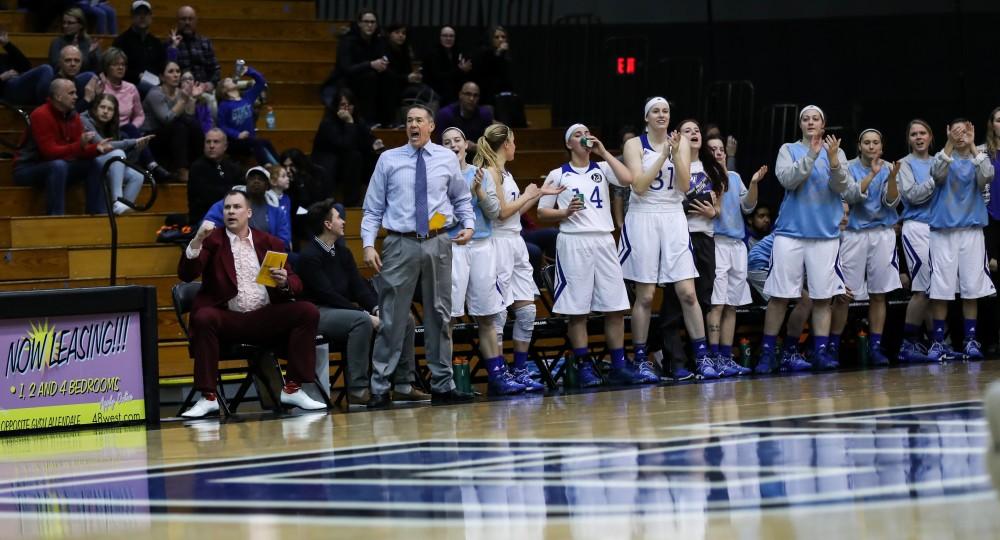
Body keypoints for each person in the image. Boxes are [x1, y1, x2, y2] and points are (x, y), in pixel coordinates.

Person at [361, 105, 476, 407]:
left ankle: (442, 384)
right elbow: (372, 207)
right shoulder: (388, 159)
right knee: (392, 317)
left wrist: (469, 224)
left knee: (440, 314)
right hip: (400, 243)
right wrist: (368, 244)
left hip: (439, 241)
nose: (413, 125)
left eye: (418, 120)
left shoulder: (447, 158)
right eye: (409, 120)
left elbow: (461, 198)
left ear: (431, 126)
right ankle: (380, 387)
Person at [177, 191, 326, 418]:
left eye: (236, 207)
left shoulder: (270, 242)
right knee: (203, 316)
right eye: (227, 208)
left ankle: (293, 389)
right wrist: (197, 239)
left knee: (307, 311)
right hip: (228, 319)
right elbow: (187, 274)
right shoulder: (212, 241)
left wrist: (284, 282)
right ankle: (208, 397)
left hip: (263, 317)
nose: (230, 212)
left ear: (248, 212)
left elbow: (296, 283)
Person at [298, 199, 429, 406]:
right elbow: (327, 294)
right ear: (327, 224)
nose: (343, 221)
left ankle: (403, 385)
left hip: (345, 310)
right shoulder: (309, 256)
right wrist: (364, 314)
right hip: (318, 312)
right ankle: (358, 389)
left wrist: (377, 308)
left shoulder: (343, 252)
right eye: (338, 217)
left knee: (406, 319)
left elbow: (359, 287)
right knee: (360, 322)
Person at [537, 123, 635, 387]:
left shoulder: (603, 168)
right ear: (569, 143)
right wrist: (564, 213)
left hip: (604, 240)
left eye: (586, 132)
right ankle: (583, 366)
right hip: (574, 242)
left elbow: (628, 179)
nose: (584, 137)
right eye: (577, 134)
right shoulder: (558, 174)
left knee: (615, 307)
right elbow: (541, 212)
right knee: (577, 310)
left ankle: (618, 365)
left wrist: (604, 152)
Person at [758, 105, 849, 373]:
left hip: (825, 236)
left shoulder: (838, 152)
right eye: (806, 119)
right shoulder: (788, 149)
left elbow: (842, 187)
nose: (810, 122)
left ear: (823, 124)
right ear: (801, 125)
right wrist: (812, 153)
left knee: (822, 298)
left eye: (816, 118)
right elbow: (788, 180)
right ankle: (767, 354)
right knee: (779, 296)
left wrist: (832, 161)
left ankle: (819, 352)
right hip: (791, 234)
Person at [476, 123, 561, 392]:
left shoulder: (506, 172)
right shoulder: (490, 172)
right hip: (497, 245)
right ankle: (499, 374)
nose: (516, 146)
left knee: (527, 312)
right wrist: (528, 194)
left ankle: (521, 370)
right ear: (506, 144)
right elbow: (500, 213)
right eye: (514, 141)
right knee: (499, 315)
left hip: (516, 243)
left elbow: (516, 211)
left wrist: (537, 194)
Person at [618, 97, 698, 382]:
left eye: (666, 110)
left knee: (688, 292)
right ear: (646, 118)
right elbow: (638, 186)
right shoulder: (634, 145)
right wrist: (664, 155)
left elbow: (686, 185)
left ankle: (702, 358)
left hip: (673, 215)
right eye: (656, 111)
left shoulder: (682, 143)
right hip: (644, 215)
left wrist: (675, 153)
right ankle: (640, 359)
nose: (662, 115)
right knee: (647, 295)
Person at [442, 127, 522, 395]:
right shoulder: (438, 178)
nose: (453, 144)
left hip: (483, 246)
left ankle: (497, 377)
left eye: (457, 140)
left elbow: (494, 213)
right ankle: (448, 381)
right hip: (453, 247)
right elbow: (439, 219)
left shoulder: (482, 173)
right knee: (449, 317)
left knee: (487, 314)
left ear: (466, 145)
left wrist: (478, 191)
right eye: (447, 142)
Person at [657, 119, 727, 378]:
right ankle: (675, 361)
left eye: (697, 130)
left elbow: (718, 207)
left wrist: (713, 211)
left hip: (705, 238)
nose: (694, 133)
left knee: (703, 301)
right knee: (678, 302)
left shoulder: (712, 167)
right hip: (679, 237)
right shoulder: (673, 164)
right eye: (687, 131)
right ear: (678, 137)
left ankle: (703, 359)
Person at [925, 118, 995, 361]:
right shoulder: (940, 157)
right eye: (956, 131)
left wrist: (974, 146)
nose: (961, 135)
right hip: (943, 232)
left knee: (971, 288)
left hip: (972, 231)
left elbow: (986, 176)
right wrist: (949, 144)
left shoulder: (980, 159)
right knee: (941, 288)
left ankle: (971, 339)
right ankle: (937, 341)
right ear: (947, 132)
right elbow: (937, 175)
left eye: (965, 131)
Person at [830, 129, 902, 366]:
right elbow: (851, 197)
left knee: (878, 294)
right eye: (867, 142)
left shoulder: (891, 167)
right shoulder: (848, 167)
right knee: (844, 294)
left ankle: (875, 347)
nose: (871, 146)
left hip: (882, 234)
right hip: (853, 234)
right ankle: (832, 347)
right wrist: (871, 175)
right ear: (859, 146)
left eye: (876, 142)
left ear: (882, 146)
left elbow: (891, 201)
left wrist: (891, 177)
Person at [704, 134, 762, 377]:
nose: (718, 152)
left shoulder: (736, 177)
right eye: (713, 149)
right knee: (717, 303)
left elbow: (748, 207)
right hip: (717, 243)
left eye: (721, 149)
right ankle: (714, 356)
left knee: (731, 305)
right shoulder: (705, 179)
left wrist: (755, 182)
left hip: (737, 245)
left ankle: (726, 357)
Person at [13, 79, 114, 215]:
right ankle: (56, 217)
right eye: (71, 93)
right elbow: (49, 153)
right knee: (58, 165)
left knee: (94, 164)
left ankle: (97, 214)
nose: (76, 97)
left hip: (59, 166)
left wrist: (96, 148)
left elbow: (79, 150)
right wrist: (80, 145)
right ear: (58, 96)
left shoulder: (74, 116)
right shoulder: (40, 114)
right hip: (27, 168)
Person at [897, 119, 937, 362]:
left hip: (938, 229)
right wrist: (937, 179)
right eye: (914, 134)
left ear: (931, 137)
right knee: (922, 287)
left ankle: (935, 343)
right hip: (916, 228)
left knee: (934, 289)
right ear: (909, 139)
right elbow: (912, 195)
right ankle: (908, 344)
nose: (919, 137)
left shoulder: (939, 163)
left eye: (923, 133)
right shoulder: (903, 164)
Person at [80, 93, 153, 214]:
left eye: (110, 109)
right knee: (117, 153)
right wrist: (133, 142)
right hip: (88, 162)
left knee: (137, 176)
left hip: (106, 163)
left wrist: (137, 149)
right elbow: (103, 145)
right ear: (95, 108)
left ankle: (121, 210)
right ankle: (117, 201)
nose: (105, 112)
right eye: (102, 107)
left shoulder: (111, 127)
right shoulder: (84, 119)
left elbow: (127, 160)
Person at [311, 87, 383, 206]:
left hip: (347, 163)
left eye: (350, 105)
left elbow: (366, 136)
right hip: (330, 163)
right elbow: (345, 145)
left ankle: (378, 200)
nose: (347, 109)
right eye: (343, 105)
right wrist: (349, 123)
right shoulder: (328, 123)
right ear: (336, 107)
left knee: (376, 157)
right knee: (354, 156)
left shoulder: (357, 119)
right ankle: (351, 203)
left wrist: (374, 142)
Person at [142, 62, 205, 182]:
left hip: (173, 134)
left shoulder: (181, 92)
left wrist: (192, 98)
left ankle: (199, 167)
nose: (176, 75)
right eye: (171, 72)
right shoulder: (155, 93)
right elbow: (166, 119)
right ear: (161, 77)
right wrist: (183, 100)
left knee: (193, 125)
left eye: (177, 71)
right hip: (151, 137)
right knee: (179, 126)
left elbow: (189, 117)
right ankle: (182, 170)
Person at [202, 167, 292, 251]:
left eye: (260, 179)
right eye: (252, 178)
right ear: (246, 183)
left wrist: (265, 247)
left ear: (267, 186)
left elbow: (284, 239)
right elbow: (208, 224)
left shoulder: (276, 211)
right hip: (232, 251)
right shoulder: (229, 203)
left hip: (266, 254)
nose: (256, 181)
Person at [334, 8, 388, 127]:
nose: (369, 25)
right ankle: (367, 121)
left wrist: (383, 64)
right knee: (369, 78)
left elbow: (383, 57)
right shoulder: (348, 41)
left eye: (373, 22)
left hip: (370, 77)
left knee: (388, 78)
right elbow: (346, 69)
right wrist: (370, 64)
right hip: (348, 79)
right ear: (359, 23)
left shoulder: (378, 41)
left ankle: (387, 122)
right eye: (366, 22)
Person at [216, 63, 278, 165]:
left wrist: (249, 71)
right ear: (223, 90)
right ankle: (268, 167)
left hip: (250, 139)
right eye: (228, 80)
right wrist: (237, 134)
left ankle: (279, 166)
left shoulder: (247, 98)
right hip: (234, 142)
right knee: (256, 143)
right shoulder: (224, 105)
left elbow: (261, 82)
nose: (232, 79)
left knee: (266, 142)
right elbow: (221, 126)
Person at [187, 128, 242, 224]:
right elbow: (209, 197)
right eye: (208, 142)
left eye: (216, 142)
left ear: (225, 146)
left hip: (230, 216)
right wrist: (233, 190)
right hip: (205, 218)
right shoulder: (197, 167)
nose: (211, 146)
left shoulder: (232, 166)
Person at [112, 1, 169, 90]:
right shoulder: (121, 41)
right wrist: (138, 75)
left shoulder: (156, 43)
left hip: (155, 89)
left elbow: (162, 67)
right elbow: (115, 68)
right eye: (138, 13)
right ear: (132, 16)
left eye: (145, 14)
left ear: (151, 17)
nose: (142, 17)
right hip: (128, 88)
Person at [433, 82, 493, 154]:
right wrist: (461, 146)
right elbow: (440, 146)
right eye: (468, 94)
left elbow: (491, 147)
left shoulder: (485, 115)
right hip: (450, 158)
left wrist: (475, 147)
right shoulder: (444, 115)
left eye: (475, 95)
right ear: (460, 95)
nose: (471, 98)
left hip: (477, 158)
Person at [382, 23, 423, 126]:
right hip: (389, 84)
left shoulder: (405, 50)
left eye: (403, 33)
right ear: (390, 34)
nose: (401, 35)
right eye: (397, 32)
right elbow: (387, 74)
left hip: (402, 83)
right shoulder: (383, 49)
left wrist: (414, 76)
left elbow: (407, 71)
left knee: (427, 91)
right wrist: (407, 78)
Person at [171, 6, 220, 92]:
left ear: (196, 21)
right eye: (183, 19)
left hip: (204, 90)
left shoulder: (205, 42)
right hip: (179, 92)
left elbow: (215, 69)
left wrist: (211, 84)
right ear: (177, 22)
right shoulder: (170, 44)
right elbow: (168, 72)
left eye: (190, 19)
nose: (187, 22)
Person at [0, 30, 54, 106]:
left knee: (47, 72)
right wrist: (2, 77)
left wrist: (7, 44)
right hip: (6, 91)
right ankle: (45, 110)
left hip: (19, 86)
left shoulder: (3, 57)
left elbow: (26, 66)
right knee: (45, 69)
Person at [422, 25, 472, 107]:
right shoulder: (433, 53)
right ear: (440, 37)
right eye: (445, 36)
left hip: (454, 91)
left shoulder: (458, 51)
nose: (448, 38)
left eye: (451, 36)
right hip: (436, 92)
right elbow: (438, 77)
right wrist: (460, 70)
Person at [470, 25, 514, 106]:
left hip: (502, 95)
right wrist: (499, 52)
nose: (501, 40)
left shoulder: (505, 55)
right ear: (490, 39)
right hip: (486, 96)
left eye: (503, 37)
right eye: (496, 37)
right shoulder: (484, 52)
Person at [48, 7, 100, 74]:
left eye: (70, 23)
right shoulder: (57, 42)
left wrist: (92, 55)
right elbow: (55, 67)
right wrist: (73, 52)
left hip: (85, 78)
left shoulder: (89, 42)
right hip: (63, 80)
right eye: (64, 22)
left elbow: (98, 69)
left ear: (80, 25)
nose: (65, 26)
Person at [55, 44, 100, 113]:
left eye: (77, 61)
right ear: (60, 62)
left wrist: (97, 96)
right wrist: (87, 99)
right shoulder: (55, 84)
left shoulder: (78, 83)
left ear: (81, 63)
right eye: (68, 60)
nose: (73, 64)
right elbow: (66, 117)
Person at [610, 125, 637, 230]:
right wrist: (620, 222)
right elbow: (618, 194)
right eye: (627, 142)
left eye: (633, 141)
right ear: (622, 145)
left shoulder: (647, 158)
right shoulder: (618, 163)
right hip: (629, 215)